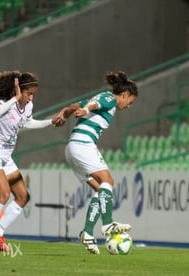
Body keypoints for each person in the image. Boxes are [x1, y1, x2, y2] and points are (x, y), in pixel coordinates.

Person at [52, 71, 138, 255]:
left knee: (101, 191)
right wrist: (87, 109)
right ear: (124, 95)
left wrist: (65, 114)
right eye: (130, 101)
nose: (128, 105)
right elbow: (96, 104)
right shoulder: (110, 99)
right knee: (109, 181)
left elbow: (77, 105)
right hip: (83, 144)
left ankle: (88, 233)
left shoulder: (104, 97)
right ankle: (108, 224)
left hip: (72, 148)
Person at [0, 71, 55, 252]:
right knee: (3, 193)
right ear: (19, 90)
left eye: (33, 94)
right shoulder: (4, 103)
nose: (30, 98)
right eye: (29, 93)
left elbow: (27, 123)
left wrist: (50, 122)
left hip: (5, 156)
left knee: (22, 196)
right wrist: (15, 97)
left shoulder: (28, 106)